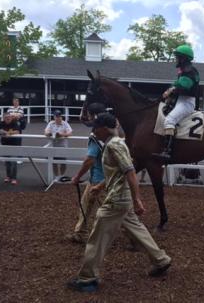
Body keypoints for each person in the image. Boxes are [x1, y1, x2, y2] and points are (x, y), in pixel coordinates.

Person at [67, 112, 171, 293]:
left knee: (97, 239)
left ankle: (87, 279)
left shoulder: (113, 145)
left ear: (103, 129)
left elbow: (130, 171)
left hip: (116, 200)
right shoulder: (117, 143)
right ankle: (161, 260)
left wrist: (137, 199)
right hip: (122, 199)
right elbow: (118, 173)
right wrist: (100, 186)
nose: (94, 132)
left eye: (95, 128)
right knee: (136, 227)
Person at [67, 103, 107, 244]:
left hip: (100, 179)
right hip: (103, 177)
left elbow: (90, 159)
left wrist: (77, 176)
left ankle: (135, 237)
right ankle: (80, 232)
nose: (87, 117)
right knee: (86, 204)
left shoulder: (96, 135)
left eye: (88, 114)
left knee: (116, 213)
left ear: (93, 116)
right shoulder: (115, 129)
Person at [153, 44, 200, 161]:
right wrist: (170, 90)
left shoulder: (190, 71)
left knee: (169, 120)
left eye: (177, 57)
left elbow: (184, 87)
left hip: (187, 102)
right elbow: (176, 84)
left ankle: (167, 151)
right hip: (180, 101)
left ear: (183, 58)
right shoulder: (184, 70)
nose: (176, 59)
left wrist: (171, 90)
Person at [0, 113, 21, 185]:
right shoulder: (1, 123)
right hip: (5, 145)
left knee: (13, 162)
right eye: (6, 117)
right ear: (3, 118)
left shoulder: (14, 123)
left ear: (11, 118)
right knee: (7, 162)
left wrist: (6, 132)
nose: (7, 119)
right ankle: (8, 176)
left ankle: (14, 178)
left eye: (9, 117)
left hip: (14, 145)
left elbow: (17, 131)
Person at [44, 110, 72, 178]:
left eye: (59, 116)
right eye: (56, 116)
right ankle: (57, 176)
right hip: (53, 146)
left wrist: (61, 134)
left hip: (63, 146)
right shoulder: (51, 123)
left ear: (61, 117)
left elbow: (70, 133)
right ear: (54, 117)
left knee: (63, 162)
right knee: (54, 162)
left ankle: (62, 176)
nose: (58, 118)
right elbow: (45, 132)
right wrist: (49, 134)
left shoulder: (65, 123)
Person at [7, 98, 26, 165]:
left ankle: (19, 158)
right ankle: (8, 158)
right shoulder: (9, 108)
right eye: (14, 101)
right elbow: (7, 116)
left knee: (18, 142)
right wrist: (14, 116)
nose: (15, 102)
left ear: (18, 102)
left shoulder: (21, 108)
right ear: (13, 102)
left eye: (16, 101)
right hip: (10, 127)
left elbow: (19, 116)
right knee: (9, 142)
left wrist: (12, 116)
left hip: (18, 127)